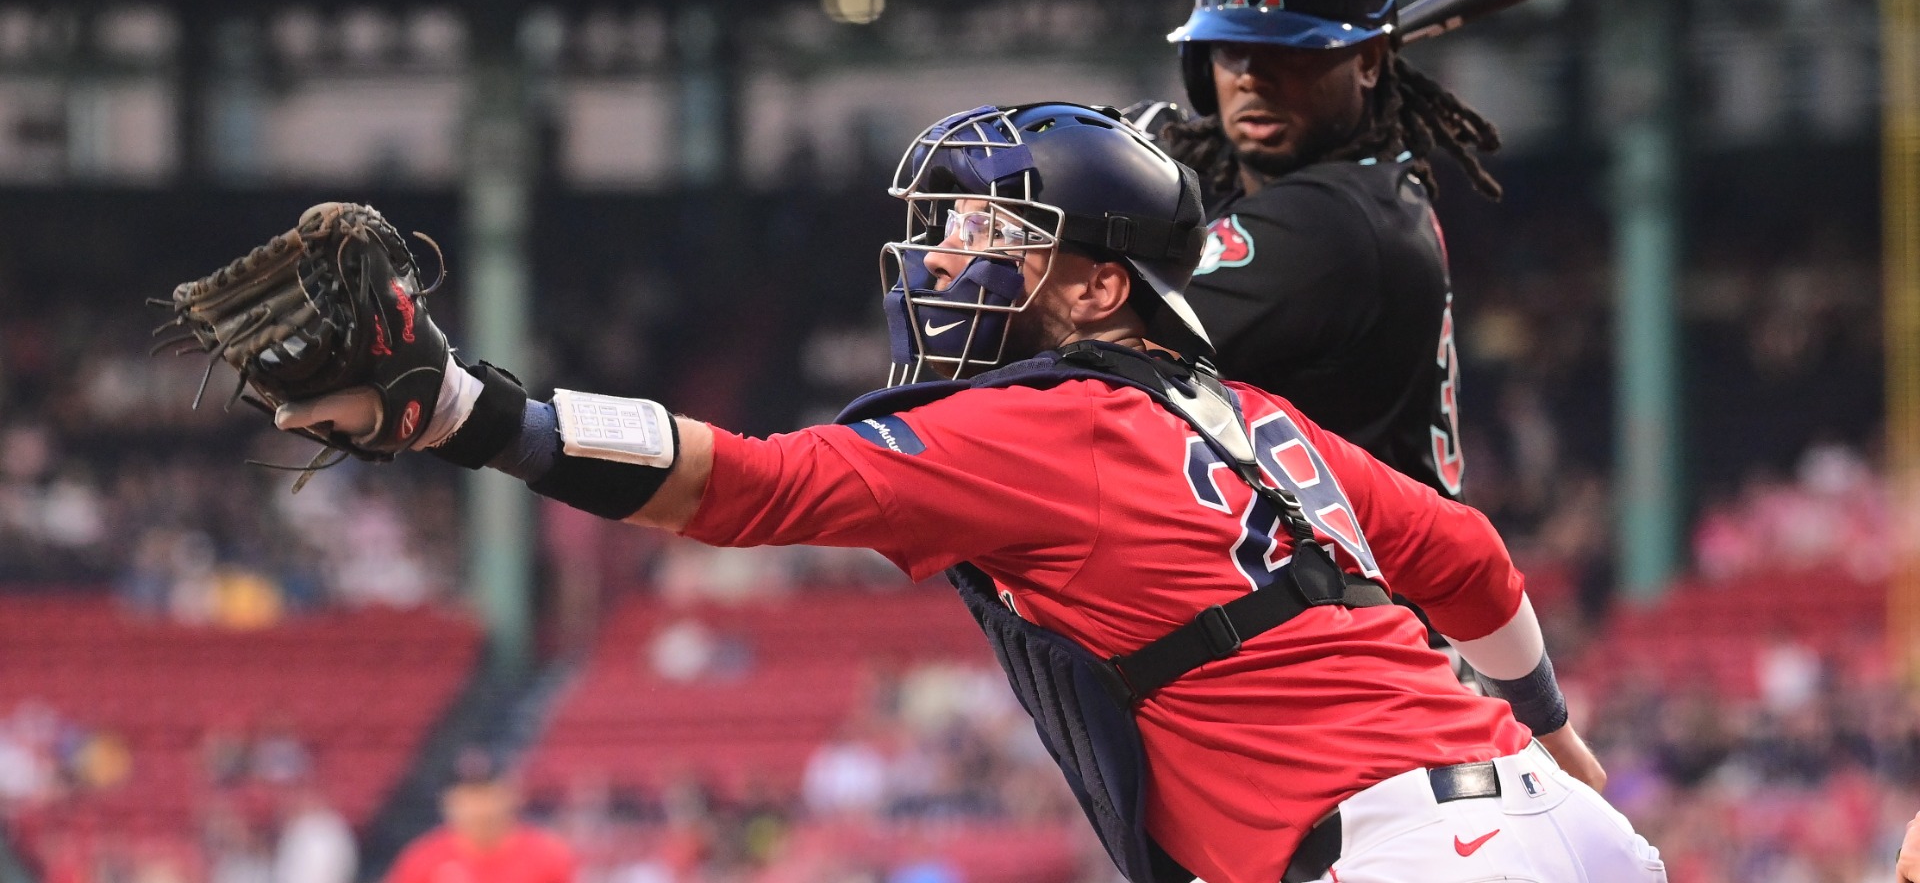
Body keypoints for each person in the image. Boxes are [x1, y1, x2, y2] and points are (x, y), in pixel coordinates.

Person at [271, 104, 1656, 883]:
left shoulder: (1033, 428)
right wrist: (1552, 734)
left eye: (987, 237)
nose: (939, 264)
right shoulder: (1248, 413)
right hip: (1553, 828)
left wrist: (463, 411)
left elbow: (744, 487)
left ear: (1101, 285)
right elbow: (1467, 559)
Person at [1129, 0, 1503, 500]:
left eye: (1290, 51)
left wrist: (1099, 182)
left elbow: (1095, 326)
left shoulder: (1334, 223)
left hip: (1361, 585)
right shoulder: (1351, 201)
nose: (1253, 77)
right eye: (1231, 49)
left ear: (1370, 61)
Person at [385, 748, 574, 883]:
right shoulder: (422, 859)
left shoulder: (546, 855)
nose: (479, 807)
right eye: (468, 796)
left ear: (511, 794)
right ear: (449, 801)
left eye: (486, 793)